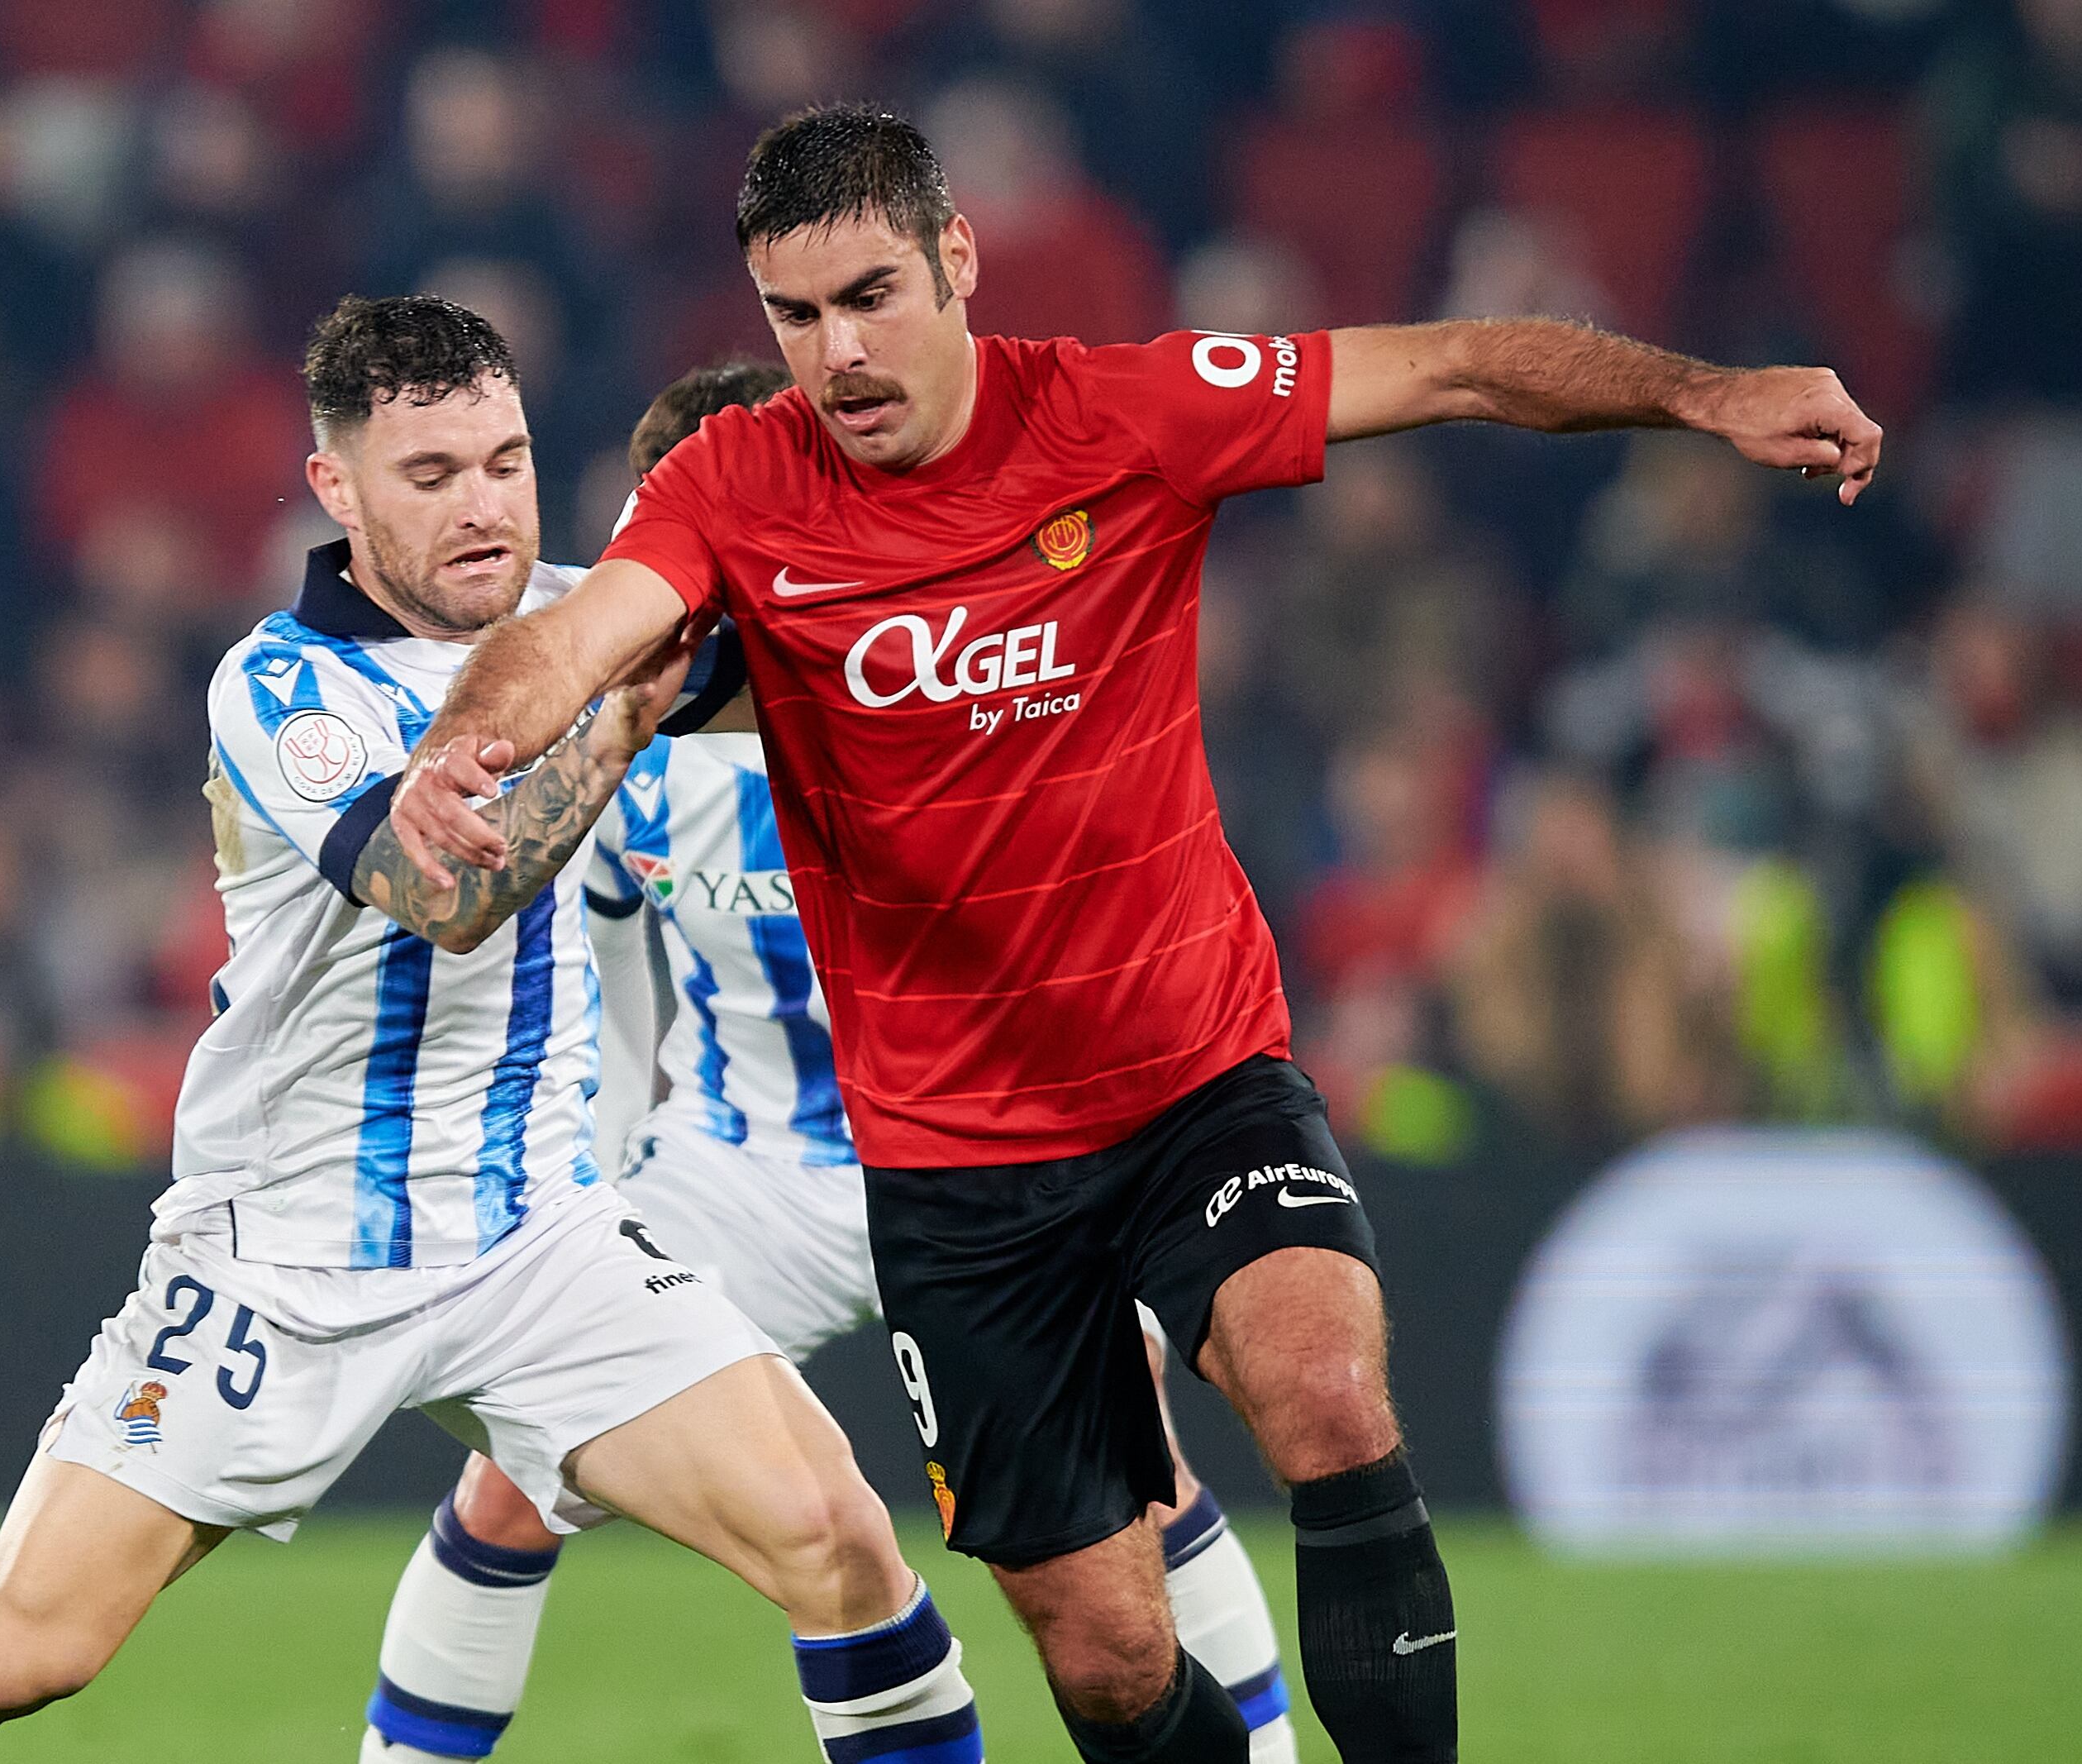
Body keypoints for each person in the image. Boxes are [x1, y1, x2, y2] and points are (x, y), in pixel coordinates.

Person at [391, 107, 1884, 1764]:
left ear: (959, 258)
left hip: (1190, 1074)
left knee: (1324, 1391)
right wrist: (472, 744)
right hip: (958, 1169)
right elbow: (578, 637)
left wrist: (1708, 396)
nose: (839, 354)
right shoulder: (734, 483)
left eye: (871, 295)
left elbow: (1455, 364)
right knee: (1107, 1658)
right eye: (794, 318)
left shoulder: (1122, 415)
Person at [0, 296, 985, 1764]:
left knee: (843, 1543)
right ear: (339, 491)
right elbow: (444, 894)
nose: (484, 506)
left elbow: (857, 670)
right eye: (432, 477)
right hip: (288, 1255)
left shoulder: (581, 616)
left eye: (504, 462)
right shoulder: (286, 685)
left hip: (534, 1235)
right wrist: (621, 722)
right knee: (24, 1653)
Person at [362, 360, 1301, 1763]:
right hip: (751, 1173)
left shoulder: (935, 691)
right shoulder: (629, 742)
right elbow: (619, 982)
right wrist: (598, 1183)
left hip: (983, 1154)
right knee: (516, 1478)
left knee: (1139, 1477)